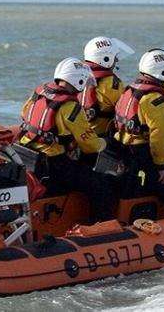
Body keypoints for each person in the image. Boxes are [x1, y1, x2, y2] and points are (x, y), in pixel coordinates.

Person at [18, 57, 116, 223]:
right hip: (53, 165)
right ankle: (100, 228)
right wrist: (105, 142)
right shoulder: (70, 107)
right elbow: (90, 145)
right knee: (102, 186)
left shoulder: (39, 92)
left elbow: (24, 113)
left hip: (25, 154)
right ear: (78, 81)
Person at [114, 49, 164, 216]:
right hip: (144, 154)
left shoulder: (130, 89)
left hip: (123, 148)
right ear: (162, 71)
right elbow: (159, 137)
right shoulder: (155, 99)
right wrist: (161, 166)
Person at [80, 36, 134, 138]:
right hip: (99, 137)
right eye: (114, 57)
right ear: (106, 59)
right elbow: (124, 109)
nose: (116, 60)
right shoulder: (113, 84)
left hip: (76, 137)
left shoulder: (75, 75)